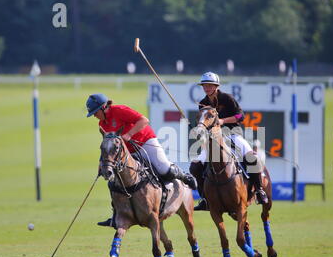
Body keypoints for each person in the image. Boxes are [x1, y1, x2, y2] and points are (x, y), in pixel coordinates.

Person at [86, 93, 197, 227]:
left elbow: (144, 120)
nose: (94, 115)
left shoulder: (119, 110)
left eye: (95, 112)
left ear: (104, 107)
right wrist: (101, 164)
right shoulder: (102, 124)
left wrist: (129, 134)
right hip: (128, 153)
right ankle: (116, 214)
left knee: (163, 168)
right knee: (114, 182)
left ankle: (184, 176)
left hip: (145, 141)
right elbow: (107, 147)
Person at [189, 72, 268, 211]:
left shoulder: (227, 98)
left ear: (216, 86)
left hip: (233, 135)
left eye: (209, 85)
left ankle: (259, 190)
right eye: (204, 86)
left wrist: (222, 121)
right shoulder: (203, 103)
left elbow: (240, 116)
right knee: (195, 167)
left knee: (252, 158)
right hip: (214, 139)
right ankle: (204, 199)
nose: (206, 88)